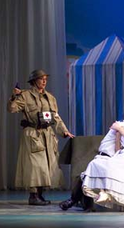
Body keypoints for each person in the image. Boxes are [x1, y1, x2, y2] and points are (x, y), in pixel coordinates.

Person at [7, 69, 75, 206]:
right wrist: (14, 97)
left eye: (45, 79)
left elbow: (55, 117)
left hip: (47, 134)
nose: (44, 81)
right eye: (41, 79)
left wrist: (64, 131)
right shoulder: (25, 95)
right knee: (35, 165)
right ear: (34, 81)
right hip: (33, 133)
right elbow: (12, 109)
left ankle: (40, 194)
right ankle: (33, 195)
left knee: (46, 165)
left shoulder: (50, 98)